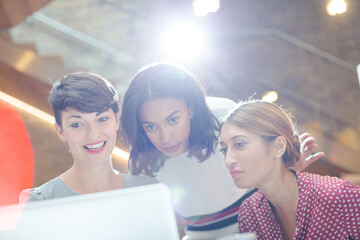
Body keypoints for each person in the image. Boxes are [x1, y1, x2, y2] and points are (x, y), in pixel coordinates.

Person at [120, 62, 323, 239]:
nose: (165, 137)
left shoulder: (222, 114)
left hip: (262, 223)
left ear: (191, 108)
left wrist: (286, 171)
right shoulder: (141, 158)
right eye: (151, 126)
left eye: (173, 120)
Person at [219, 100, 360, 239]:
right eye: (224, 149)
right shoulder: (249, 213)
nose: (228, 161)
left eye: (239, 144)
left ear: (278, 146)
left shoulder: (340, 196)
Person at [20, 72, 157, 202]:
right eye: (77, 124)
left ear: (117, 120)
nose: (93, 134)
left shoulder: (147, 189)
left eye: (102, 119)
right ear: (61, 131)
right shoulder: (41, 200)